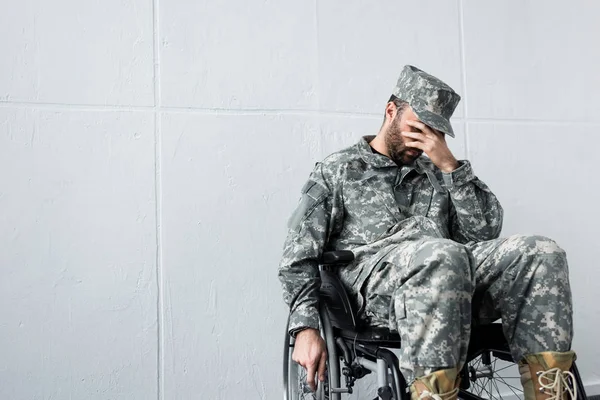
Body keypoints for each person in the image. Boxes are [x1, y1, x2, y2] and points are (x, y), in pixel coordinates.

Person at [278, 65, 576, 400]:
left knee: (540, 252)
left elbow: (484, 233)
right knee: (442, 253)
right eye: (418, 128)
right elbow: (297, 256)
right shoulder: (339, 171)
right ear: (391, 111)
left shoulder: (439, 171)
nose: (424, 142)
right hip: (374, 291)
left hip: (451, 278)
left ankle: (549, 392)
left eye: (434, 133)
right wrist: (305, 327)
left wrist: (451, 167)